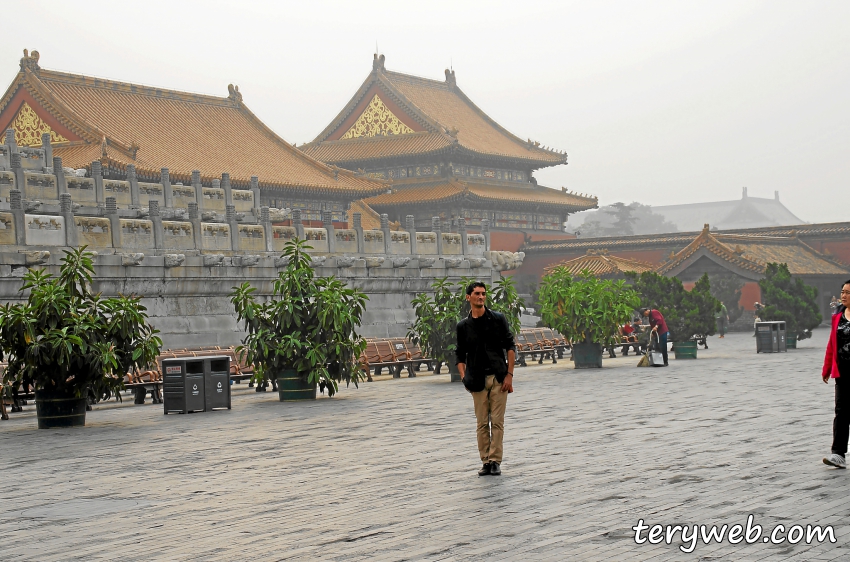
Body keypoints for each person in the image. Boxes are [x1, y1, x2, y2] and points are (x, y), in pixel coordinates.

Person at [456, 281, 516, 477]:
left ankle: (495, 460)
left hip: (499, 377)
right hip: (477, 380)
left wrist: (509, 375)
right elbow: (460, 355)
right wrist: (464, 377)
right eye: (476, 294)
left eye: (483, 294)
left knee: (497, 422)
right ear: (468, 297)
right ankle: (485, 461)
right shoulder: (463, 326)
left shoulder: (498, 319)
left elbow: (510, 346)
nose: (481, 297)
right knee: (482, 423)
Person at [822, 280, 850, 469]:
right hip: (843, 373)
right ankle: (838, 453)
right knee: (841, 412)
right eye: (843, 291)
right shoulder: (837, 316)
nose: (844, 295)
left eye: (848, 292)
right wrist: (826, 369)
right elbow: (832, 345)